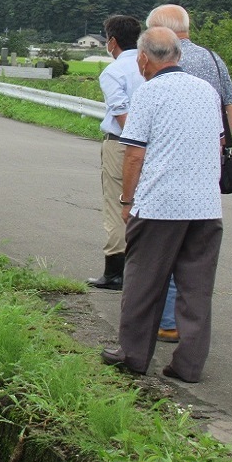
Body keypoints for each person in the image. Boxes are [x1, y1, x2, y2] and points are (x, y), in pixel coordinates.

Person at [100, 27, 224, 383]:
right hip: (205, 208)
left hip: (160, 206)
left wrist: (127, 200)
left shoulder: (150, 93)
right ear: (178, 56)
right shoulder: (206, 91)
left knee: (143, 283)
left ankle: (133, 354)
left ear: (143, 58)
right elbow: (215, 145)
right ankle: (188, 365)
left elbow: (134, 154)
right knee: (196, 289)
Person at [146, 4, 232, 343]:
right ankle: (185, 325)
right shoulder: (214, 59)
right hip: (206, 170)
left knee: (162, 243)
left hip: (166, 166)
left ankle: (166, 320)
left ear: (158, 32)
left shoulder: (159, 58)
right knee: (196, 250)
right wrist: (214, 144)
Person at [87, 15, 145, 290]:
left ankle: (114, 272)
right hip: (154, 147)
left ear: (112, 41)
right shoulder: (150, 64)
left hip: (122, 144)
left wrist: (136, 140)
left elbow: (120, 111)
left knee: (118, 203)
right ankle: (142, 269)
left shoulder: (114, 71)